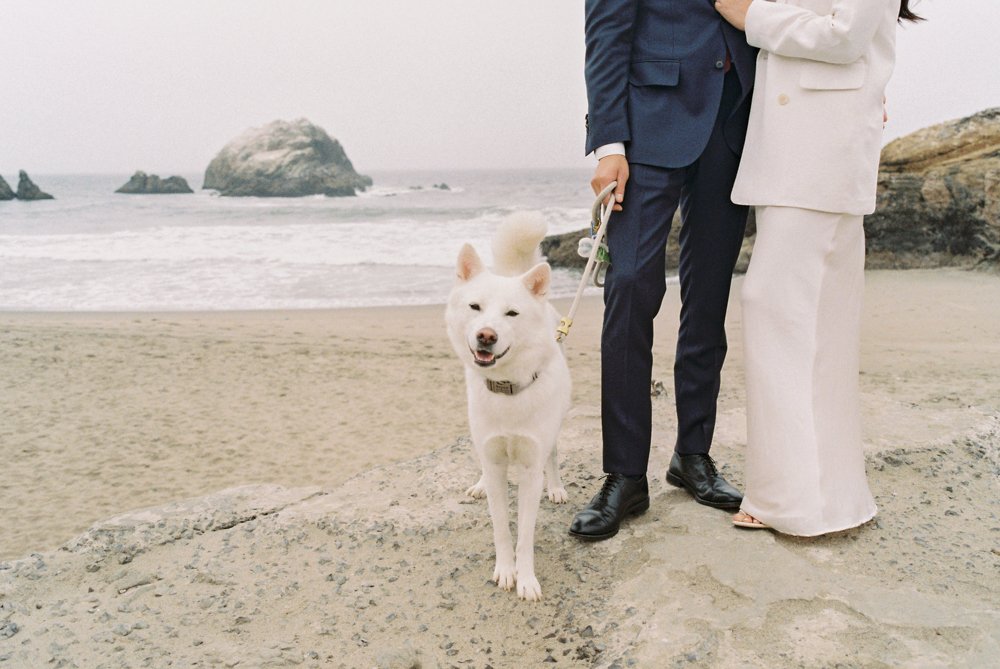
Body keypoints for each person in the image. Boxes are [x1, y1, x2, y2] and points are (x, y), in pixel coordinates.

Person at [713, 0, 922, 535]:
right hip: (800, 152)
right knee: (811, 327)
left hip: (818, 155)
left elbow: (845, 37)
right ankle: (823, 499)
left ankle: (797, 502)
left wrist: (750, 15)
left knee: (782, 312)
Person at [570, 1, 757, 541]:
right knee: (628, 287)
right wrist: (610, 145)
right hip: (648, 126)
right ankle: (625, 475)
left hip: (734, 121)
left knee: (709, 297)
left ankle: (693, 455)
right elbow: (606, 32)